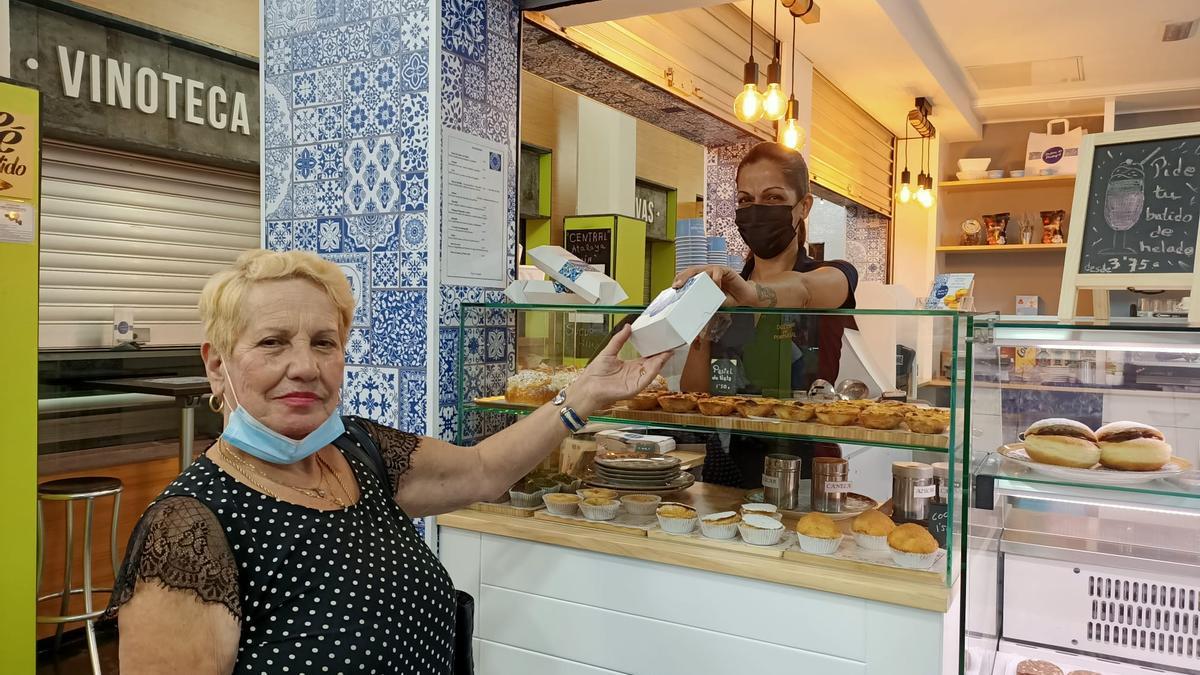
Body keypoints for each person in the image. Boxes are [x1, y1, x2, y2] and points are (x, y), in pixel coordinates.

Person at [110, 249, 670, 674]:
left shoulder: (358, 452)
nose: (305, 366)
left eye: (324, 343)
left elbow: (482, 470)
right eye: (273, 343)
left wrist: (581, 398)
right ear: (216, 364)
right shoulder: (189, 529)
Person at [676, 142, 859, 489]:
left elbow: (803, 290)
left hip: (804, 474)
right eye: (745, 200)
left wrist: (755, 294)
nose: (756, 210)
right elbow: (696, 393)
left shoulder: (832, 276)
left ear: (803, 206)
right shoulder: (727, 293)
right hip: (725, 474)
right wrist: (700, 318)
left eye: (773, 198)